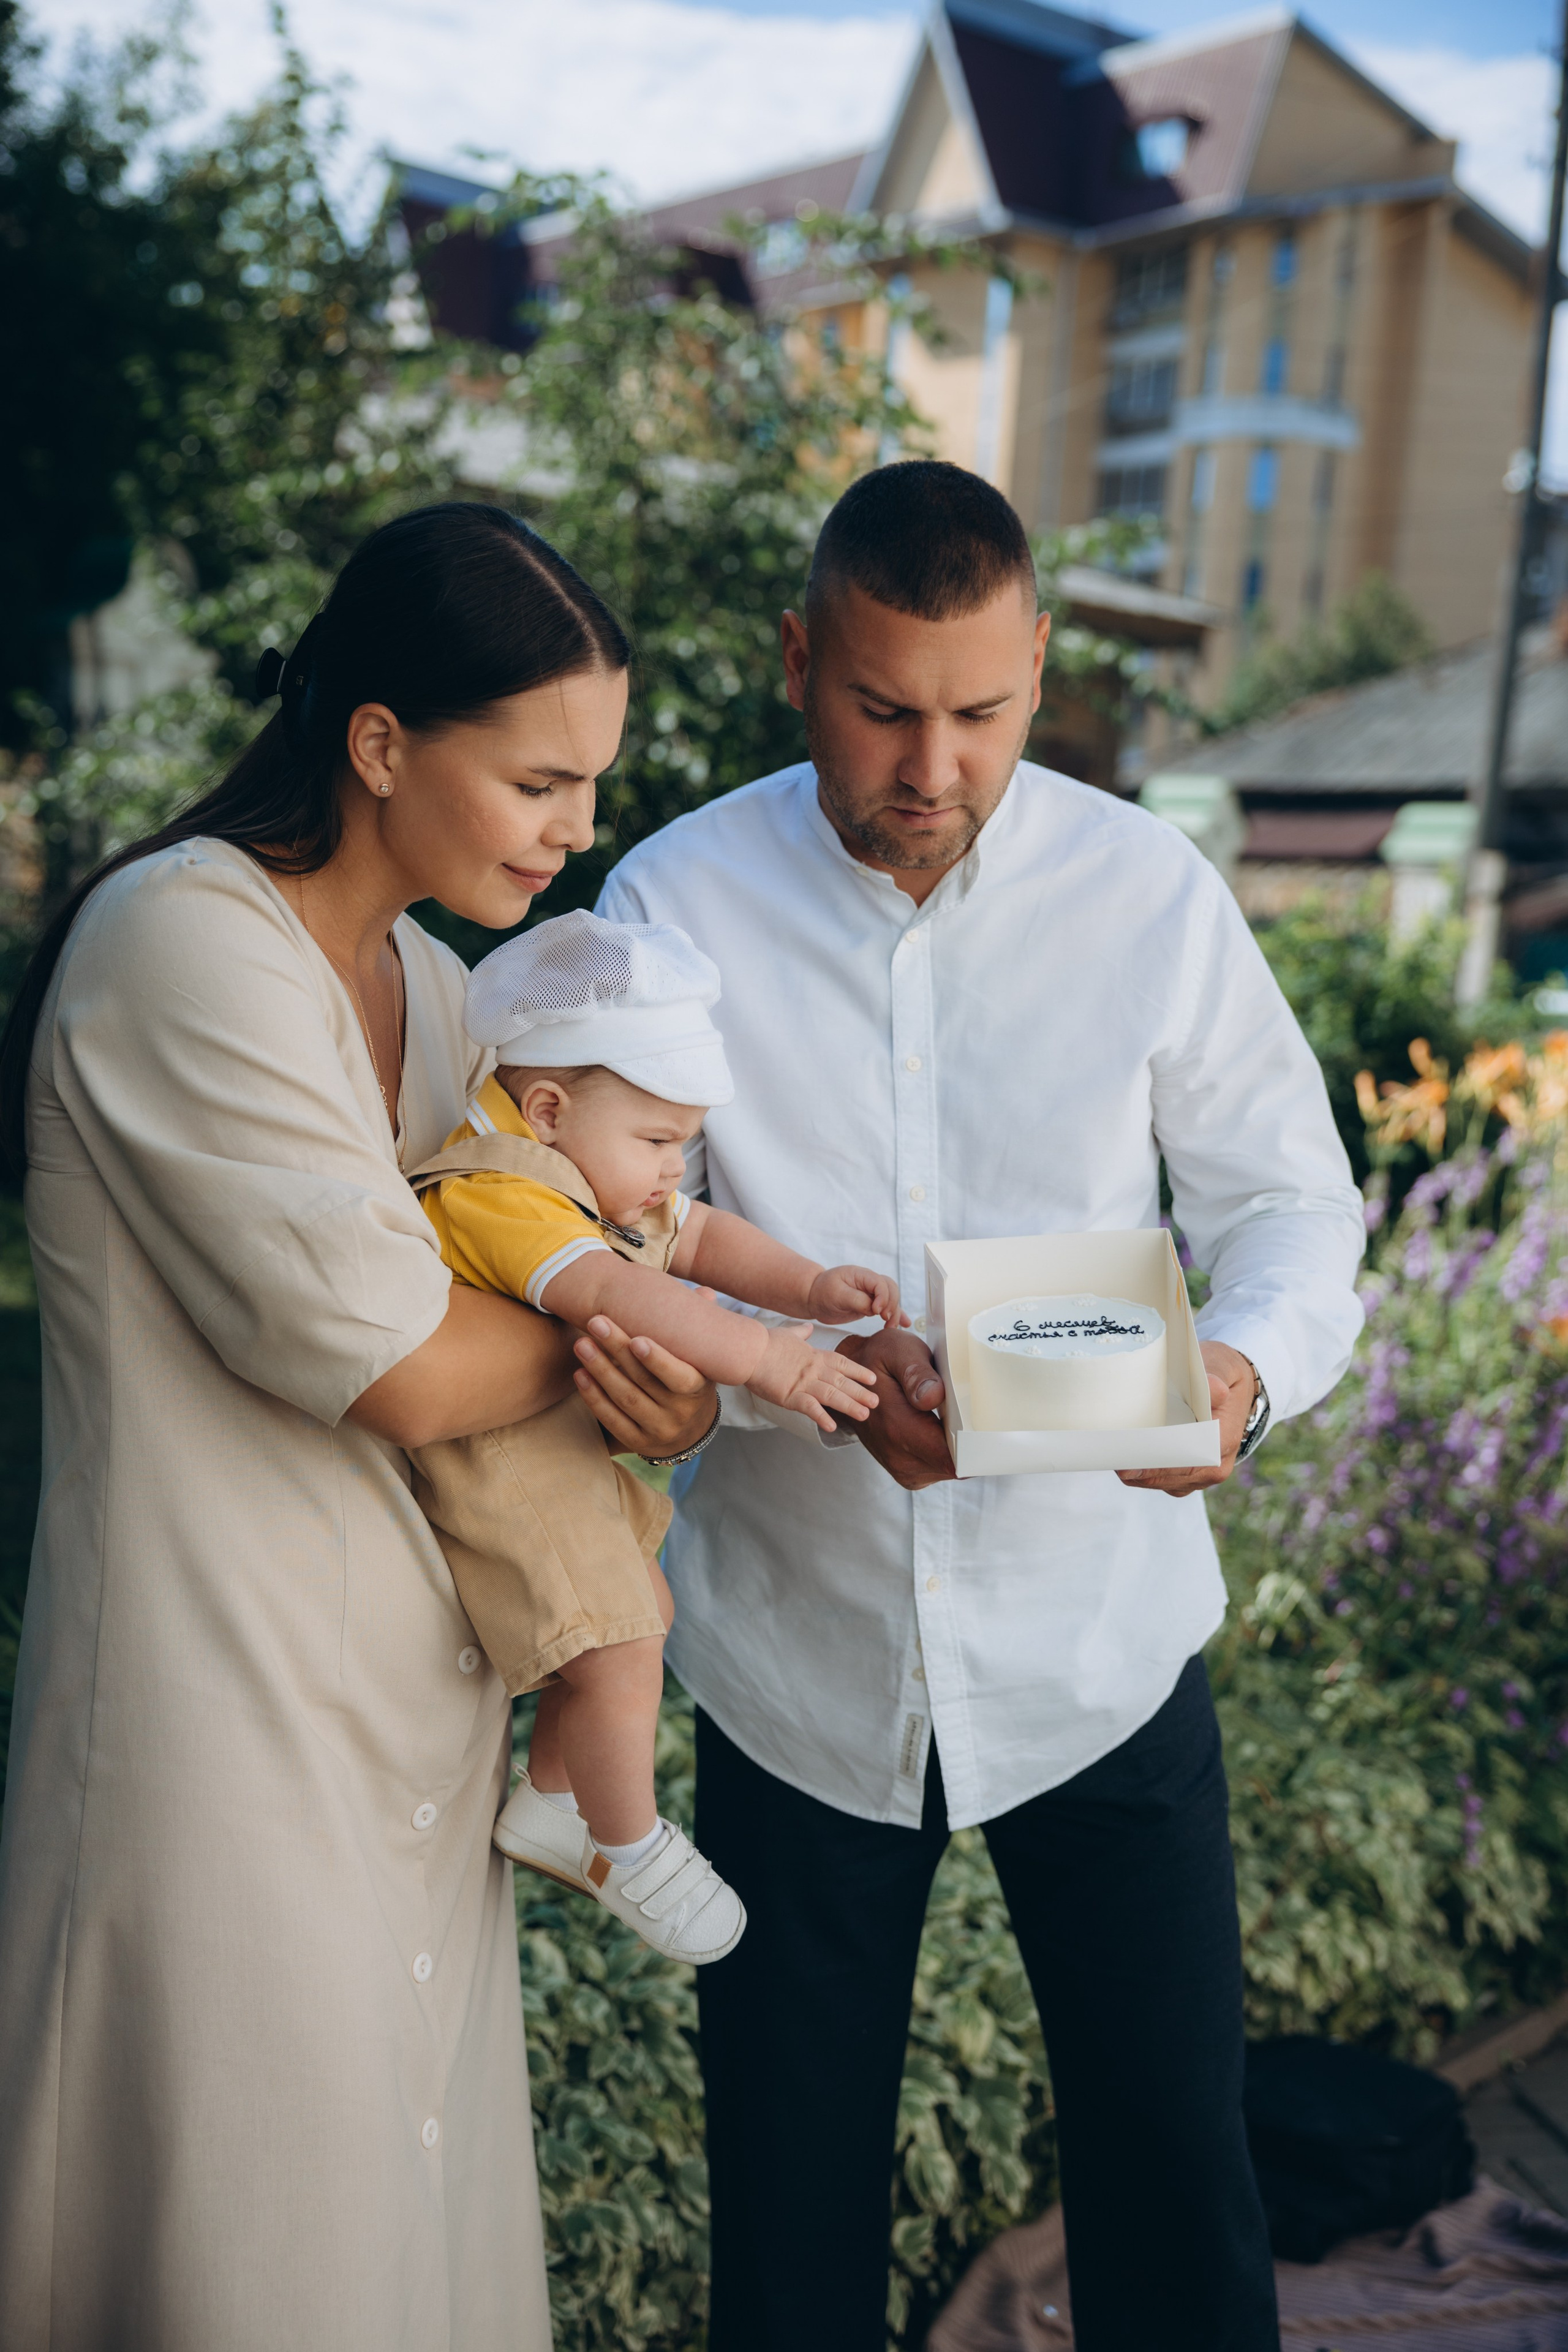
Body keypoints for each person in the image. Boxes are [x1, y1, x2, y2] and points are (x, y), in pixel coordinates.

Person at [598, 460, 1366, 2352]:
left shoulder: (1153, 895)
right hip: (799, 1659)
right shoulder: (669, 902)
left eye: (981, 712)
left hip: (1102, 1648)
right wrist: (816, 1397)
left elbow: (1291, 1205)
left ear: (1040, 665)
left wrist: (1247, 1379)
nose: (930, 764)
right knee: (787, 2197)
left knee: (1178, 2171)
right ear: (800, 663)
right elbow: (618, 1240)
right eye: (880, 709)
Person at [0, 502, 718, 2352]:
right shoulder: (185, 947)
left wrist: (660, 1337)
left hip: (422, 1739)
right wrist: (629, 1331)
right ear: (383, 742)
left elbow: (594, 1253)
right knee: (246, 2263)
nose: (581, 832)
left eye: (594, 784)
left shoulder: (452, 998)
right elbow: (402, 1359)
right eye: (544, 781)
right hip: (219, 1736)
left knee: (405, 2265)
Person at [406, 908, 897, 1963]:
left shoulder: (592, 1169)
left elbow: (701, 1238)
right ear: (545, 1108)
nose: (677, 1169)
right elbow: (625, 1295)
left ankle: (548, 1801)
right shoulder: (501, 1191)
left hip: (558, 1458)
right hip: (502, 1465)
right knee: (622, 1642)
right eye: (662, 1142)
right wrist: (773, 1359)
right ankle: (627, 1847)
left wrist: (806, 1285)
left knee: (646, 1608)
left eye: (686, 1143)